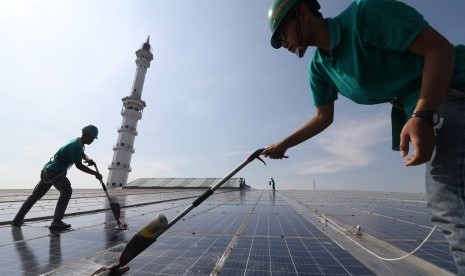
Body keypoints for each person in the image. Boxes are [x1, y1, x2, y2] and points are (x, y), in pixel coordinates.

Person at [263, 0, 465, 273]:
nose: (282, 44)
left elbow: (439, 50)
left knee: (449, 206)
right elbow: (323, 117)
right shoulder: (320, 68)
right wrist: (283, 144)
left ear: (302, 13)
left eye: (282, 34)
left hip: (453, 88)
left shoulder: (365, 14)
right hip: (426, 106)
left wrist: (423, 115)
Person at [11, 125, 103, 229]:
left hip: (49, 171)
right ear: (85, 135)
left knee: (35, 196)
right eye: (91, 138)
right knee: (66, 190)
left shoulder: (77, 142)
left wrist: (88, 158)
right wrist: (95, 173)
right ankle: (57, 221)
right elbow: (79, 165)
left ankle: (17, 220)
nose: (92, 140)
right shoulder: (76, 146)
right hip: (55, 172)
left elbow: (82, 153)